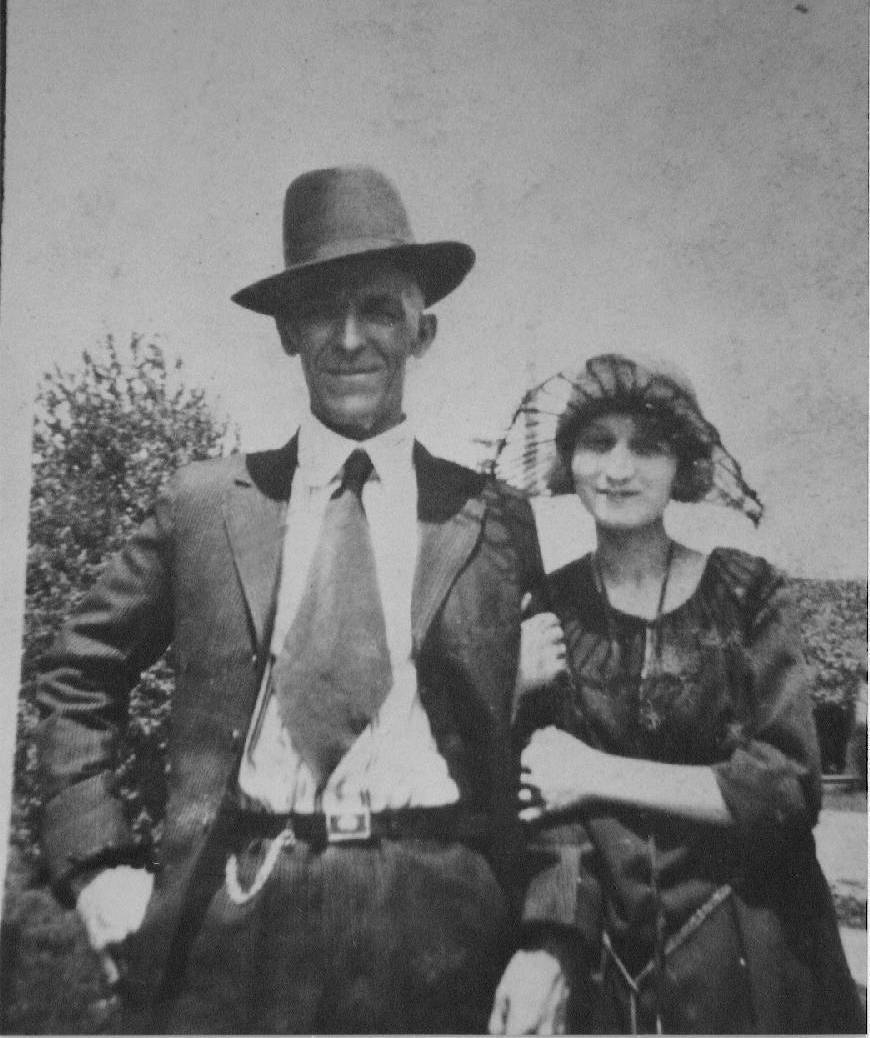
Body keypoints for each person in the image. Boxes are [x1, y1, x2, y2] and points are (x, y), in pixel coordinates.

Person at [36, 165, 558, 1034]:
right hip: (239, 917)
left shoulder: (490, 519)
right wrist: (96, 866)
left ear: (422, 331)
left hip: (441, 924)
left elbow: (548, 736)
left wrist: (550, 937)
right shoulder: (206, 504)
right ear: (287, 331)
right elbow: (75, 675)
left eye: (380, 310)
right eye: (323, 311)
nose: (350, 339)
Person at [492, 353, 863, 1034]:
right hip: (609, 965)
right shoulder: (547, 610)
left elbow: (785, 788)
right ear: (569, 462)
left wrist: (595, 773)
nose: (619, 468)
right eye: (598, 442)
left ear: (683, 465)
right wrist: (515, 690)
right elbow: (540, 797)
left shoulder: (747, 595)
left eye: (648, 446)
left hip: (754, 952)